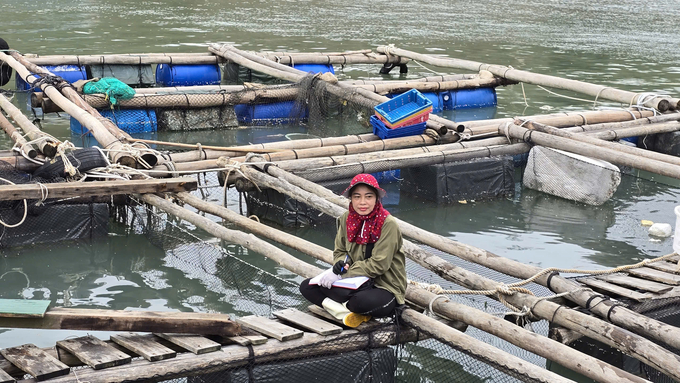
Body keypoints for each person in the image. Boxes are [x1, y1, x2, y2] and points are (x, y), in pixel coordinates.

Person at [299, 173, 407, 327]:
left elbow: (379, 264)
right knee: (307, 286)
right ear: (351, 199)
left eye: (368, 196)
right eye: (357, 197)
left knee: (361, 302)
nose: (362, 202)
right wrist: (339, 265)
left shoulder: (388, 224)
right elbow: (340, 251)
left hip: (383, 286)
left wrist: (342, 275)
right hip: (355, 282)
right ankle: (346, 314)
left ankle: (341, 309)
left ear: (377, 198)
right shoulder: (346, 218)